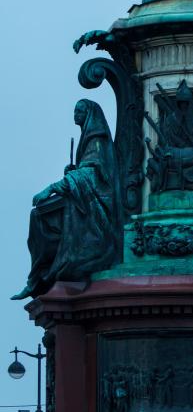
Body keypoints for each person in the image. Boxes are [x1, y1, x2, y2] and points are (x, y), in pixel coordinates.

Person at [13, 100, 120, 299]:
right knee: (38, 215)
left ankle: (46, 273)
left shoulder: (97, 139)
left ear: (88, 114)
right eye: (74, 111)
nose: (75, 115)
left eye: (79, 111)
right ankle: (37, 276)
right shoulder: (89, 139)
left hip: (97, 204)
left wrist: (51, 188)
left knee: (42, 215)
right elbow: (86, 173)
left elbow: (92, 174)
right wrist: (73, 172)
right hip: (84, 197)